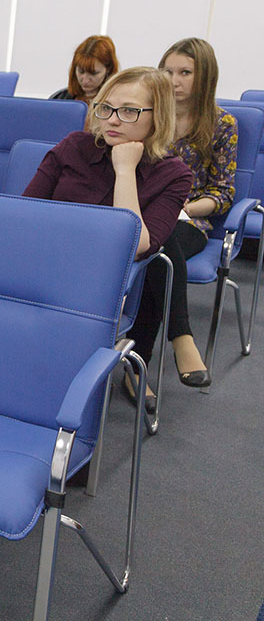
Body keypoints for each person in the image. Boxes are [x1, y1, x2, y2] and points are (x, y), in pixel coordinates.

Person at [24, 66, 195, 405]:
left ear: (158, 116)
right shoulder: (74, 146)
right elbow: (25, 212)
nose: (113, 120)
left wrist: (125, 169)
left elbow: (136, 246)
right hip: (46, 265)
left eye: (129, 111)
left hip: (106, 285)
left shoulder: (174, 174)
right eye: (106, 108)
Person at [124, 38, 237, 393]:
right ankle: (178, 339)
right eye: (167, 71)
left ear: (204, 77)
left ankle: (137, 364)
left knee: (159, 249)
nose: (174, 81)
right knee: (157, 247)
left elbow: (223, 193)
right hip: (137, 213)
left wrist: (187, 206)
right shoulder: (147, 115)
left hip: (189, 220)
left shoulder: (222, 124)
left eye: (185, 72)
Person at [50, 35, 119, 104]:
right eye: (81, 71)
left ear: (108, 70)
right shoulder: (59, 99)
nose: (85, 80)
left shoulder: (118, 102)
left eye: (93, 73)